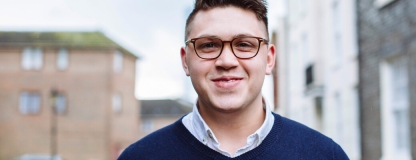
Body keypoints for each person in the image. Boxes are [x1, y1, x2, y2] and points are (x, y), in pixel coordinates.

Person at [118, 0, 349, 159]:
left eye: (244, 45)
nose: (226, 60)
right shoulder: (139, 157)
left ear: (269, 60)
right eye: (208, 45)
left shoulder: (324, 155)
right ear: (185, 60)